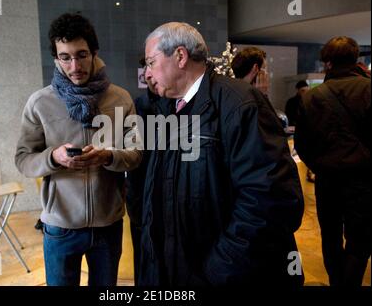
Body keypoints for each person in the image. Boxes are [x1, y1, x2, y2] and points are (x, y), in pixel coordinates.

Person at [141, 22, 304, 286]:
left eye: (150, 62)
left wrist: (218, 271)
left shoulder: (239, 103)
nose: (147, 73)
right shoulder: (168, 110)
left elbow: (271, 202)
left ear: (180, 56)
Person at [15, 13, 141, 286]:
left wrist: (109, 155)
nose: (75, 66)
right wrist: (54, 157)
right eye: (65, 57)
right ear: (56, 58)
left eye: (82, 55)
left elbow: (137, 152)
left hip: (108, 224)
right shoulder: (39, 102)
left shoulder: (120, 98)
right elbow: (24, 159)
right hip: (60, 226)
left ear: (94, 52)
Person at [294, 36, 371, 286]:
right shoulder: (369, 90)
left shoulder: (311, 98)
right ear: (356, 58)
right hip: (364, 181)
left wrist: (319, 166)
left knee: (330, 237)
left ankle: (338, 282)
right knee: (360, 240)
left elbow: (302, 145)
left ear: (327, 63)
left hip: (327, 181)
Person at [125, 58, 158, 285]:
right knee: (143, 264)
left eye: (153, 66)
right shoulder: (137, 107)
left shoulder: (186, 109)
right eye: (146, 68)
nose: (149, 74)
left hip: (174, 205)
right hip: (141, 200)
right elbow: (132, 160)